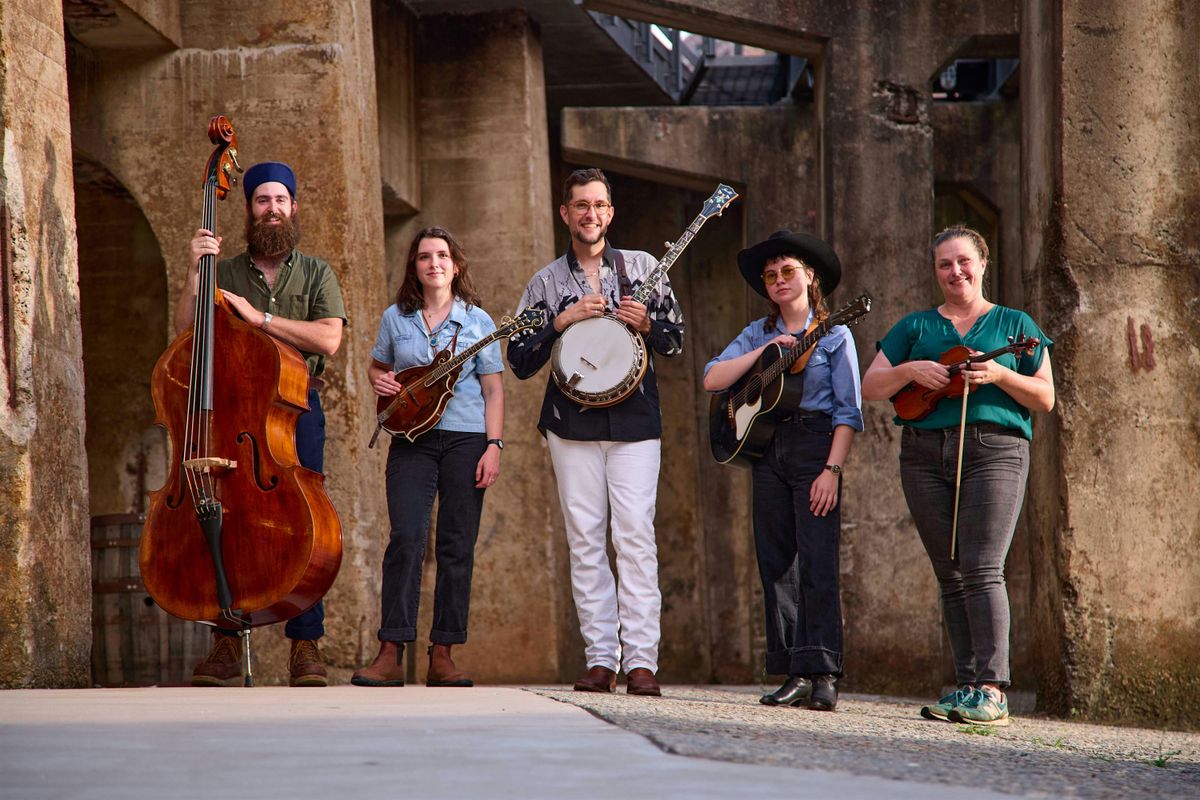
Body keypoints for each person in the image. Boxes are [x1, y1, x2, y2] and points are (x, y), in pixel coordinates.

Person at [860, 225, 1054, 726]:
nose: (955, 271)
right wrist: (910, 371)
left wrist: (999, 376)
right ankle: (966, 687)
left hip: (994, 449)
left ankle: (992, 689)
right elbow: (871, 385)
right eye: (945, 264)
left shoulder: (1014, 324)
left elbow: (1045, 397)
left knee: (982, 565)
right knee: (949, 572)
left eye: (964, 261)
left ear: (983, 263)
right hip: (923, 453)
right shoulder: (916, 327)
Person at [507, 168, 684, 697]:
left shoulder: (645, 268)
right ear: (566, 213)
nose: (591, 214)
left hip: (636, 421)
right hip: (570, 422)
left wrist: (648, 325)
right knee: (585, 540)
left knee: (633, 535)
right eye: (580, 205)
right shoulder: (545, 282)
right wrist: (559, 322)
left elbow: (675, 342)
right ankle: (601, 660)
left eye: (599, 205)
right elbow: (518, 360)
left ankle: (642, 663)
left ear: (611, 212)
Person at [175, 161, 347, 687]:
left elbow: (328, 340)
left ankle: (305, 645)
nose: (272, 209)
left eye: (280, 200)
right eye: (261, 201)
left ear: (293, 207)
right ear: (249, 209)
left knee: (306, 523)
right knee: (227, 519)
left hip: (297, 411)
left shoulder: (317, 273)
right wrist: (193, 272)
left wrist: (261, 319)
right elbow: (184, 335)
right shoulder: (221, 272)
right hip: (234, 413)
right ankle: (227, 639)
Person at [703, 230, 862, 712]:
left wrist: (831, 469)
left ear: (809, 276)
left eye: (787, 271)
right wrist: (767, 351)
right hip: (768, 449)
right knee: (776, 561)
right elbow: (713, 376)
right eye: (771, 275)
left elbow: (848, 412)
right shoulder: (756, 332)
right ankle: (792, 669)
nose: (778, 280)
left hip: (816, 445)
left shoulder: (836, 333)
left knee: (817, 559)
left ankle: (824, 671)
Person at [351, 227, 504, 688]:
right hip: (410, 440)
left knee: (457, 545)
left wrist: (493, 446)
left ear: (455, 265)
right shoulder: (395, 319)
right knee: (406, 538)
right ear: (414, 267)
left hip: (466, 440)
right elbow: (380, 365)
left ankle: (444, 653)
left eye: (442, 256)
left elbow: (494, 389)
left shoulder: (479, 322)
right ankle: (391, 651)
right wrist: (379, 379)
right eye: (424, 257)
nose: (433, 263)